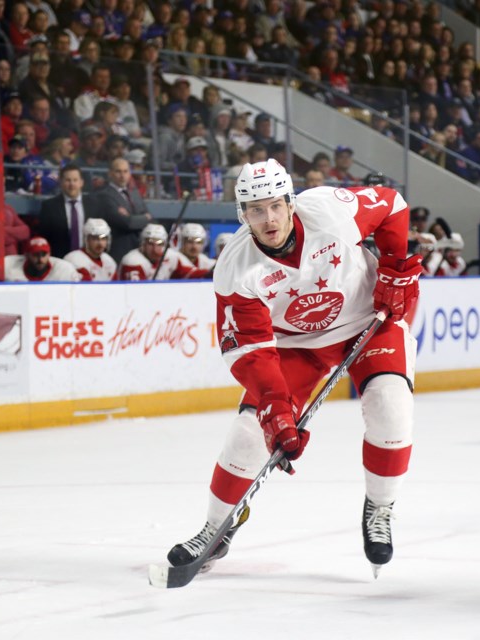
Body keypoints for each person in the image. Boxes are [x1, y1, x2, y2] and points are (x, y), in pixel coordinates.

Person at [162, 159, 420, 576]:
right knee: (249, 435)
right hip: (297, 344)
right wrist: (276, 410)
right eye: (256, 210)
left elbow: (392, 204)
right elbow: (252, 353)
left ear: (290, 203)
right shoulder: (236, 269)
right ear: (242, 214)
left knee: (391, 407)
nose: (269, 219)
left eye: (275, 206)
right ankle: (215, 528)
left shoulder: (329, 211)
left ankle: (380, 506)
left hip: (368, 320)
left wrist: (393, 267)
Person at [94, 157, 152, 262]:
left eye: (125, 171)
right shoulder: (104, 195)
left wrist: (133, 217)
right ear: (110, 173)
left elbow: (149, 217)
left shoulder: (134, 193)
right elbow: (126, 223)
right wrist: (143, 218)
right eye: (118, 171)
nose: (122, 175)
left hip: (138, 251)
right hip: (118, 252)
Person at [35, 165, 92, 258]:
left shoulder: (94, 204)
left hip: (88, 260)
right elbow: (44, 236)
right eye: (68, 180)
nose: (72, 184)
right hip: (59, 260)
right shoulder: (49, 206)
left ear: (81, 182)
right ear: (60, 182)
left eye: (75, 180)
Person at [118, 223, 207, 280]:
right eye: (150, 243)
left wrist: (211, 273)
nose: (155, 248)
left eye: (159, 244)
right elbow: (136, 293)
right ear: (143, 244)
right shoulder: (133, 261)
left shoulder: (170, 256)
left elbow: (192, 273)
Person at [4, 236, 81, 281]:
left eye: (44, 254)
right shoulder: (9, 264)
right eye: (35, 255)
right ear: (26, 255)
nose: (40, 259)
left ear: (49, 254)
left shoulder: (63, 268)